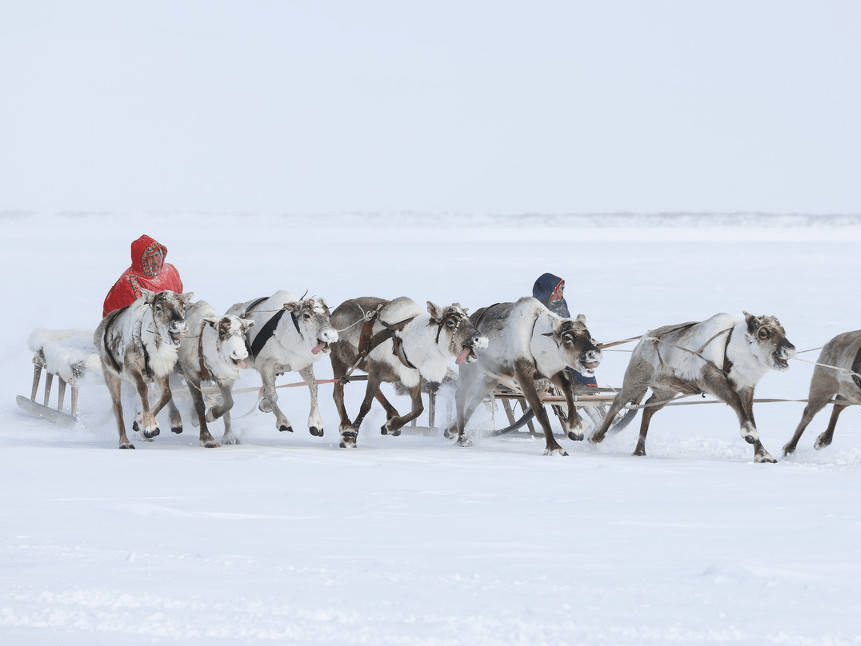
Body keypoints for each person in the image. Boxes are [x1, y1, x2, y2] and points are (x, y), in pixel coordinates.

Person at [532, 272, 598, 387]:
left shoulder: (561, 304)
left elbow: (569, 327)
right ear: (547, 293)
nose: (560, 293)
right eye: (557, 291)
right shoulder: (535, 310)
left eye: (562, 289)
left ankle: (590, 392)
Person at [102, 235, 184, 317]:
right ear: (140, 261)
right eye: (150, 257)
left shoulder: (170, 271)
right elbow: (135, 320)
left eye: (157, 255)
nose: (156, 261)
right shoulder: (129, 283)